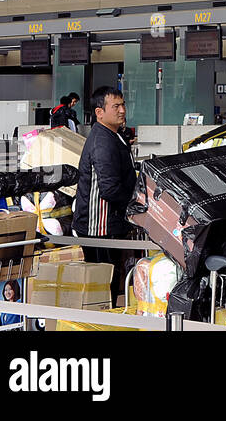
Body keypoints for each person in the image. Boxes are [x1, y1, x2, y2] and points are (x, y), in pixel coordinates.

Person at [73, 87, 138, 305]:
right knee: (103, 283)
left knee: (109, 281)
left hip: (108, 223)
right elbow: (109, 189)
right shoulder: (103, 141)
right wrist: (136, 204)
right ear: (99, 112)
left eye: (123, 105)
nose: (122, 110)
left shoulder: (113, 135)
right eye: (115, 106)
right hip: (99, 226)